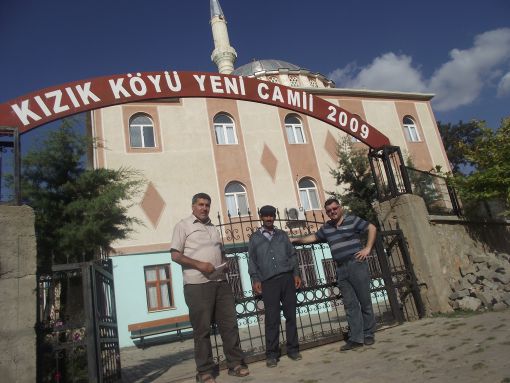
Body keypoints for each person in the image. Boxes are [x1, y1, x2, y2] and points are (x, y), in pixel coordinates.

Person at [170, 193, 249, 383]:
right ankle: (204, 372)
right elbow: (175, 255)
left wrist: (223, 261)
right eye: (200, 204)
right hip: (197, 284)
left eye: (207, 205)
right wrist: (200, 265)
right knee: (202, 330)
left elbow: (219, 250)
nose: (204, 208)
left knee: (229, 325)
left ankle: (235, 364)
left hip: (220, 282)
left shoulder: (213, 227)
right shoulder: (183, 226)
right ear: (193, 206)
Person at [291, 198, 377, 351]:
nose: (332, 212)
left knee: (365, 301)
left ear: (340, 208)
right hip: (340, 268)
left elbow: (372, 228)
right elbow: (313, 238)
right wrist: (294, 240)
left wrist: (368, 248)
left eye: (334, 208)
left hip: (356, 264)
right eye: (329, 210)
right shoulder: (327, 228)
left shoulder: (352, 220)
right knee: (350, 305)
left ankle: (368, 333)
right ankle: (356, 338)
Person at [248, 205, 302, 367]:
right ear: (261, 217)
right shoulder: (255, 238)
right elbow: (252, 260)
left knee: (291, 315)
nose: (269, 218)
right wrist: (255, 279)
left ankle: (293, 349)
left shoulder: (282, 235)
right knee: (272, 319)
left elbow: (292, 255)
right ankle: (272, 354)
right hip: (268, 282)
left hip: (287, 279)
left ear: (275, 217)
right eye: (266, 216)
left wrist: (296, 274)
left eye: (271, 215)